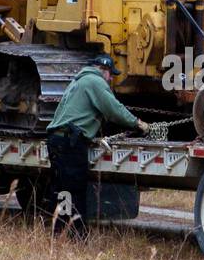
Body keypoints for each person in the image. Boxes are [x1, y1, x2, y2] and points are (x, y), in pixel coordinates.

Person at [44, 53, 149, 238]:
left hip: (57, 140)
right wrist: (137, 123)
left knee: (63, 188)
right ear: (104, 70)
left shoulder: (79, 80)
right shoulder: (95, 81)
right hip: (71, 143)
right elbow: (113, 109)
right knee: (75, 190)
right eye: (111, 75)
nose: (111, 79)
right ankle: (76, 236)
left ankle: (59, 230)